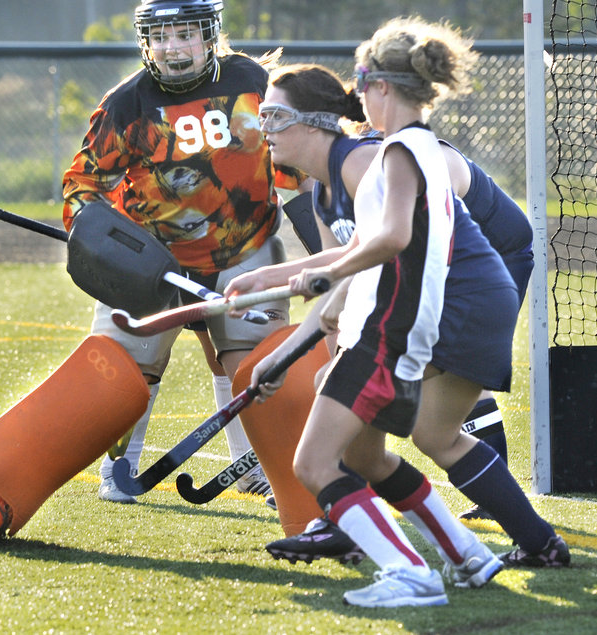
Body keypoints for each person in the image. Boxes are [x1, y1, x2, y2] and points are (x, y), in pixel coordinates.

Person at [228, 51, 569, 572]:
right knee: (431, 435)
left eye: (274, 117)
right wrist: (280, 336)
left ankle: (365, 538)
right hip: (443, 298)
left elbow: (386, 245)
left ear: (315, 124)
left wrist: (288, 284)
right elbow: (339, 288)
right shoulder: (322, 192)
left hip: (456, 295)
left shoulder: (366, 160)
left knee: (339, 412)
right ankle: (532, 545)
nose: (263, 129)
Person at [62, 0, 307, 505]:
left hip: (245, 249)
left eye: (185, 33)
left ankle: (260, 467)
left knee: (252, 362)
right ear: (146, 40)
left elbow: (293, 162)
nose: (173, 48)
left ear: (210, 34)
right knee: (126, 368)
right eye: (161, 35)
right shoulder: (127, 103)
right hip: (149, 259)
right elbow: (82, 183)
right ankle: (120, 468)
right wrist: (98, 242)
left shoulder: (252, 84)